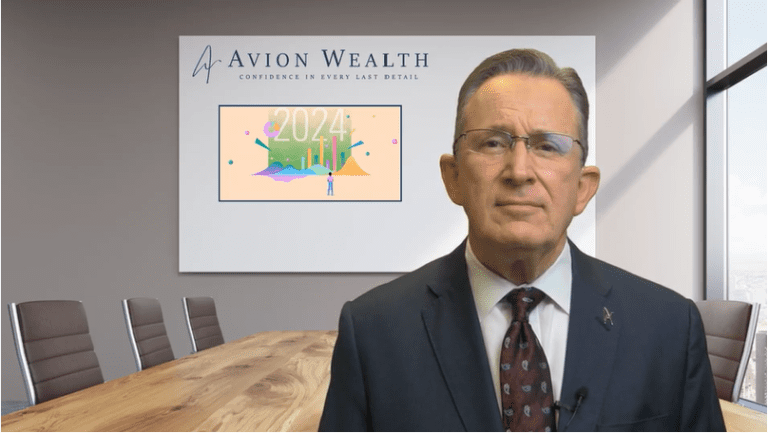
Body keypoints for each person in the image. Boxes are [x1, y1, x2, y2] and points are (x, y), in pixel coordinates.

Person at [319, 49, 725, 432]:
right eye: (493, 142)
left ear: (584, 188)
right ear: (453, 177)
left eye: (548, 145)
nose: (519, 170)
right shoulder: (373, 331)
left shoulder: (669, 328)